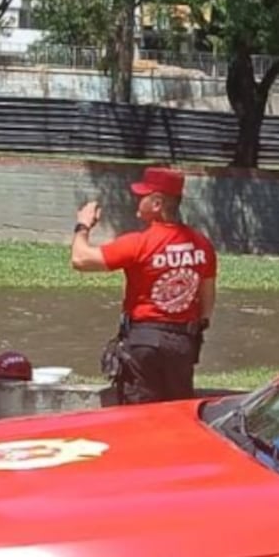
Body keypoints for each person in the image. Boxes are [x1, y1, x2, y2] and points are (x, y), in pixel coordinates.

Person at [70, 166, 217, 404]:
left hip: (144, 341)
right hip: (183, 344)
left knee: (140, 411)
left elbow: (80, 259)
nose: (136, 200)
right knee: (178, 410)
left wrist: (83, 225)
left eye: (142, 196)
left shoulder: (139, 243)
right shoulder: (202, 245)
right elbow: (207, 302)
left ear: (157, 203)